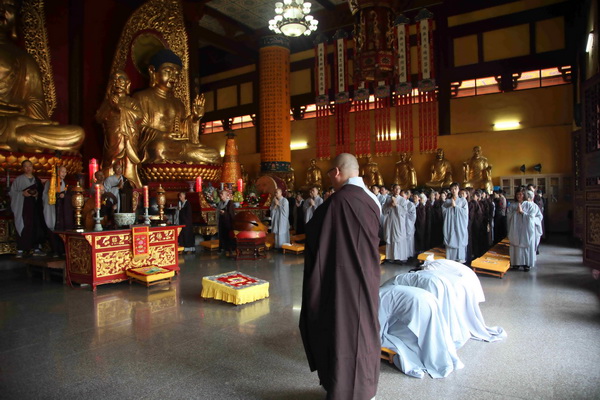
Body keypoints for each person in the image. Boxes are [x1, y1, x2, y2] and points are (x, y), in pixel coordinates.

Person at [300, 153, 381, 400]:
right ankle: (366, 388)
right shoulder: (373, 199)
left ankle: (343, 390)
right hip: (367, 278)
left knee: (341, 330)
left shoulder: (336, 203)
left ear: (336, 172)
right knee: (365, 328)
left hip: (340, 281)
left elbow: (314, 234)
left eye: (329, 174)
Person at [0, 0, 84, 153]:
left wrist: (23, 122)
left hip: (19, 127)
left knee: (76, 134)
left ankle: (18, 140)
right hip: (10, 127)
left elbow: (37, 112)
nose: (2, 11)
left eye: (9, 7)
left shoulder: (24, 59)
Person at [133, 49, 221, 164]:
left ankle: (181, 165)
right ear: (152, 71)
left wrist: (194, 118)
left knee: (214, 154)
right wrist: (163, 135)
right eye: (168, 71)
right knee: (159, 147)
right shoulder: (142, 97)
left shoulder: (178, 103)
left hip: (177, 147)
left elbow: (185, 133)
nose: (173, 77)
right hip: (156, 146)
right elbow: (137, 130)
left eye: (176, 73)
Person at [96, 70, 143, 188]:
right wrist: (111, 106)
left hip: (128, 136)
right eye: (115, 80)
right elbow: (99, 117)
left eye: (121, 80)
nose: (118, 83)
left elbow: (139, 116)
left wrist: (120, 108)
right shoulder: (108, 102)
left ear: (127, 83)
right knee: (112, 157)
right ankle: (108, 183)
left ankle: (130, 182)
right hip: (113, 136)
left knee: (128, 160)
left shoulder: (132, 102)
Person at [9, 160, 46, 258]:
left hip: (35, 207)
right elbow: (12, 193)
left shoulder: (37, 180)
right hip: (23, 207)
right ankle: (21, 249)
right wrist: (22, 194)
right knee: (24, 225)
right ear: (22, 168)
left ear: (33, 167)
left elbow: (43, 194)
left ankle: (36, 248)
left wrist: (37, 195)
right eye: (25, 166)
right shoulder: (19, 180)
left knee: (36, 226)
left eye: (30, 166)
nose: (28, 168)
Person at [507, 189, 543, 271]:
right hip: (515, 229)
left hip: (527, 230)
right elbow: (508, 217)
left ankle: (527, 264)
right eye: (517, 194)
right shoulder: (513, 205)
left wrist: (523, 212)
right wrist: (516, 212)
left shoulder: (532, 205)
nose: (519, 196)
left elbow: (538, 217)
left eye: (521, 194)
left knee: (527, 246)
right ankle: (516, 263)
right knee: (516, 247)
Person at [43, 166, 67, 257]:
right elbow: (45, 195)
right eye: (62, 172)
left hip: (61, 210)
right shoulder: (50, 182)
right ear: (57, 172)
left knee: (61, 228)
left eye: (65, 172)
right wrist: (55, 196)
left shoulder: (65, 183)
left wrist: (64, 196)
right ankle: (55, 250)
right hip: (52, 207)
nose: (64, 174)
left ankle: (62, 249)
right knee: (53, 227)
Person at [383, 184, 411, 263]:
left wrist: (397, 206)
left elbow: (405, 212)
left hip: (399, 222)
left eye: (398, 189)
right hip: (391, 221)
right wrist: (390, 206)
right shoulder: (388, 199)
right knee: (391, 237)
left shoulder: (402, 200)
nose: (397, 190)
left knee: (399, 238)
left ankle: (399, 257)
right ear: (393, 190)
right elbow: (384, 210)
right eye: (395, 189)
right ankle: (391, 257)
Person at [442, 182, 469, 263]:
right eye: (452, 189)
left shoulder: (463, 201)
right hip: (450, 225)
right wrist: (450, 207)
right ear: (450, 190)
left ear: (458, 190)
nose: (454, 191)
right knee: (450, 237)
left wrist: (456, 207)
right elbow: (443, 211)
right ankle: (450, 258)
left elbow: (465, 213)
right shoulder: (447, 202)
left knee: (459, 240)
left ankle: (460, 258)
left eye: (455, 189)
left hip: (459, 226)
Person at [216, 189, 236, 256]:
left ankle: (230, 249)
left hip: (228, 223)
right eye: (220, 195)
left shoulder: (230, 203)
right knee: (222, 235)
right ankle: (223, 248)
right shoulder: (220, 203)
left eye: (222, 195)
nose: (221, 196)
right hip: (222, 222)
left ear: (226, 195)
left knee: (228, 236)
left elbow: (231, 214)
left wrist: (224, 213)